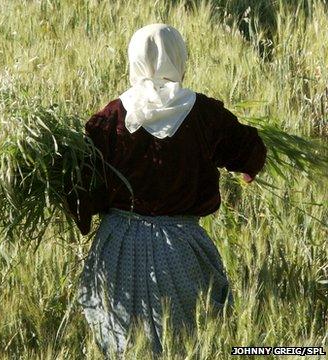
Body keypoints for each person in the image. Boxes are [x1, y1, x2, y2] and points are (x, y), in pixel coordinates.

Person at [64, 24, 267, 357]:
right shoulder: (205, 114)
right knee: (188, 342)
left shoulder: (108, 118)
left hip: (118, 249)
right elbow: (248, 151)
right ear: (179, 58)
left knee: (123, 344)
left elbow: (83, 188)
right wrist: (249, 163)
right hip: (182, 249)